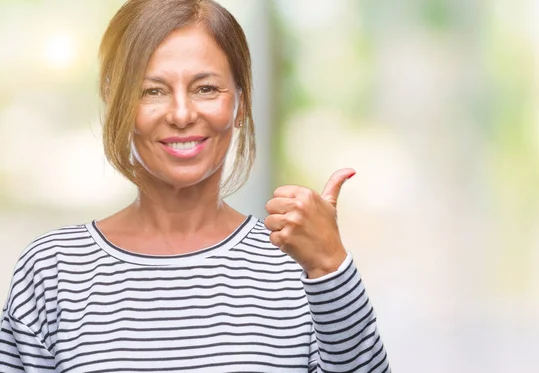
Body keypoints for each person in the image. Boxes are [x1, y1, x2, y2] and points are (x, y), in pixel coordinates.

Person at [0, 0, 391, 371]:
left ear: (241, 101)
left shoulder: (296, 267)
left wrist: (329, 266)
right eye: (152, 90)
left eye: (206, 88)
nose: (183, 114)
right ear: (115, 101)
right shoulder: (53, 271)